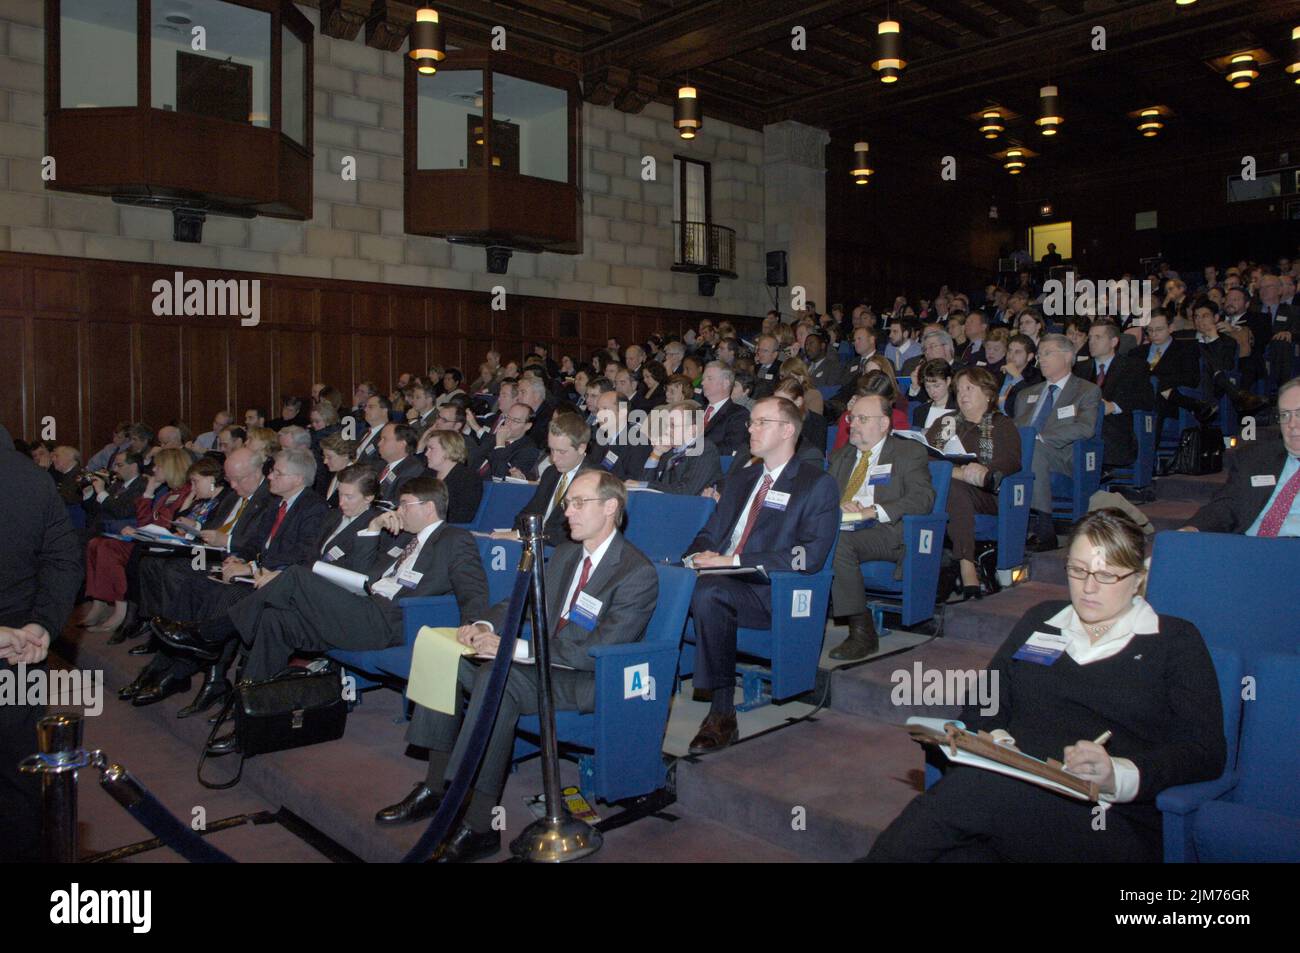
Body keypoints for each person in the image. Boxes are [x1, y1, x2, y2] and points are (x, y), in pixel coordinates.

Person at [865, 509, 1226, 862]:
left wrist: (1118, 772)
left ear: (1137, 579)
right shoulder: (1042, 621)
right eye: (1078, 570)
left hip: (1105, 816)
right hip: (1012, 798)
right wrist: (994, 740)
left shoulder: (1173, 641)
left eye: (1106, 575)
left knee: (969, 791)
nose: (1087, 588)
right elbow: (985, 702)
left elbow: (1204, 751)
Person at [378, 470, 657, 862]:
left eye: (579, 503)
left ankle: (479, 824)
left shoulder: (635, 571)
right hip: (540, 664)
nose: (567, 513)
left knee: (497, 678)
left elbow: (598, 650)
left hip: (585, 679)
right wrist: (485, 624)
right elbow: (520, 599)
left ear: (611, 507)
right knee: (445, 655)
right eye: (566, 504)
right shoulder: (565, 553)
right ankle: (436, 786)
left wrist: (514, 647)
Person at [162, 478, 489, 756]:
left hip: (390, 622)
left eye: (404, 505)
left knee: (295, 577)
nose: (398, 512)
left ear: (428, 507)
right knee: (277, 621)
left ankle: (211, 632)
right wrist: (372, 528)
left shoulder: (454, 540)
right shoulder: (401, 538)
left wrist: (473, 625)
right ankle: (254, 722)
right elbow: (363, 573)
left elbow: (473, 589)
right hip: (361, 607)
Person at [682, 396, 839, 754]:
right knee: (662, 578)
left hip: (770, 591)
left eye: (759, 422)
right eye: (750, 422)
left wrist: (734, 561)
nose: (749, 429)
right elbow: (712, 530)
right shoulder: (743, 477)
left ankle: (721, 713)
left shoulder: (816, 484)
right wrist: (695, 555)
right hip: (721, 576)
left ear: (787, 430)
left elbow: (808, 557)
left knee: (709, 592)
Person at [0, 426, 82, 863]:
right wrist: (44, 627)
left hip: (16, 648)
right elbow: (64, 559)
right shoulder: (34, 478)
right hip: (22, 657)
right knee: (20, 780)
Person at [827, 393, 935, 660]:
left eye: (862, 419)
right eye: (852, 418)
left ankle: (862, 632)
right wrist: (839, 504)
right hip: (846, 526)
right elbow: (822, 497)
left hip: (887, 531)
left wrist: (874, 510)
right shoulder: (842, 456)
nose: (853, 424)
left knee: (837, 542)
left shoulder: (907, 452)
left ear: (884, 423)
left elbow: (923, 498)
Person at [930, 367, 1023, 600]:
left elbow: (1011, 460)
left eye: (969, 388)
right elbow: (925, 454)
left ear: (989, 394)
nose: (962, 394)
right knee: (948, 486)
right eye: (959, 389)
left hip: (987, 495)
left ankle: (966, 563)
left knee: (953, 489)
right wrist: (958, 472)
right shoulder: (946, 422)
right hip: (945, 489)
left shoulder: (1001, 424)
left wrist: (982, 471)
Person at [81, 447, 194, 636]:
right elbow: (145, 522)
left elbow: (166, 525)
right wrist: (149, 493)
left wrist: (147, 498)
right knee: (95, 543)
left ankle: (121, 611)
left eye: (158, 466)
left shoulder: (186, 493)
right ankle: (99, 602)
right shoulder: (167, 493)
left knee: (110, 548)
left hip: (163, 546)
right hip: (149, 541)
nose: (153, 470)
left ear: (170, 467)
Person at [1013, 334, 1102, 551]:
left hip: (1064, 456)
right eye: (1040, 354)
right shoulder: (1026, 394)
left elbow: (1085, 428)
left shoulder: (1086, 390)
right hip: (1025, 452)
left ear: (1068, 356)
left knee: (1034, 450)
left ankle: (1045, 529)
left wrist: (1040, 438)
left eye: (1047, 353)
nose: (1040, 359)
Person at [1181, 377, 1300, 536]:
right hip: (1248, 549)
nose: (1291, 424)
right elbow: (1227, 505)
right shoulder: (1255, 458)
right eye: (1285, 415)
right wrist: (1194, 528)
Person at [492, 412, 591, 546]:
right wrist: (517, 533)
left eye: (561, 452)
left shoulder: (593, 480)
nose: (554, 458)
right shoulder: (551, 473)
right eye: (552, 450)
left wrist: (523, 535)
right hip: (537, 543)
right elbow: (528, 513)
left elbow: (571, 531)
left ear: (581, 448)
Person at [1075, 321, 1155, 471]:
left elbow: (1146, 400)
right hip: (1081, 425)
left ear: (1114, 341)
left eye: (1098, 337)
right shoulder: (1079, 369)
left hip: (1114, 428)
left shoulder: (1134, 366)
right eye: (1090, 338)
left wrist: (1114, 406)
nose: (1091, 342)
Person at [626, 401, 722, 496]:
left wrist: (646, 485)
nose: (667, 431)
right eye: (667, 426)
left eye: (673, 426)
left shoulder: (705, 450)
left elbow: (686, 491)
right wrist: (656, 453)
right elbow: (642, 485)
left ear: (693, 430)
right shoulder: (669, 451)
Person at [424, 430, 483, 525]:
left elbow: (462, 517)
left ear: (448, 450)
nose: (426, 454)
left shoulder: (467, 478)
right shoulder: (428, 473)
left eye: (431, 449)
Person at [699, 361, 751, 457]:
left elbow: (731, 449)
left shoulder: (738, 414)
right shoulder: (697, 411)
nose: (702, 383)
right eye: (703, 379)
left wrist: (694, 448)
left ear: (726, 383)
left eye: (709, 379)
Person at [374, 423, 429, 505]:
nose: (379, 444)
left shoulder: (412, 469)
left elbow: (397, 503)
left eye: (384, 439)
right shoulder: (380, 465)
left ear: (402, 444)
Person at [999, 333, 1042, 417]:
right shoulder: (1001, 372)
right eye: (1009, 351)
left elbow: (1028, 404)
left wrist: (1017, 377)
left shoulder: (1036, 376)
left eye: (1017, 352)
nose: (1011, 356)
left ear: (1029, 357)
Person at [911, 359, 956, 429]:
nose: (932, 391)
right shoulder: (919, 411)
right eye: (927, 387)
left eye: (936, 386)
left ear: (948, 381)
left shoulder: (959, 408)